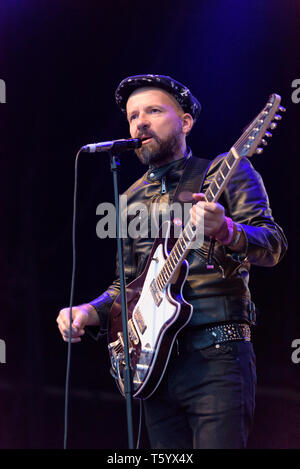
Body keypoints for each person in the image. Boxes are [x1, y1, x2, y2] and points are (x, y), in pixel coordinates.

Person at [56, 74, 287, 449]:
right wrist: (87, 311)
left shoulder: (225, 172)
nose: (140, 122)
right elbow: (126, 286)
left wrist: (227, 230)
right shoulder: (129, 199)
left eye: (153, 111)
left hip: (217, 354)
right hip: (154, 364)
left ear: (185, 122)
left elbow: (274, 245)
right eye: (133, 116)